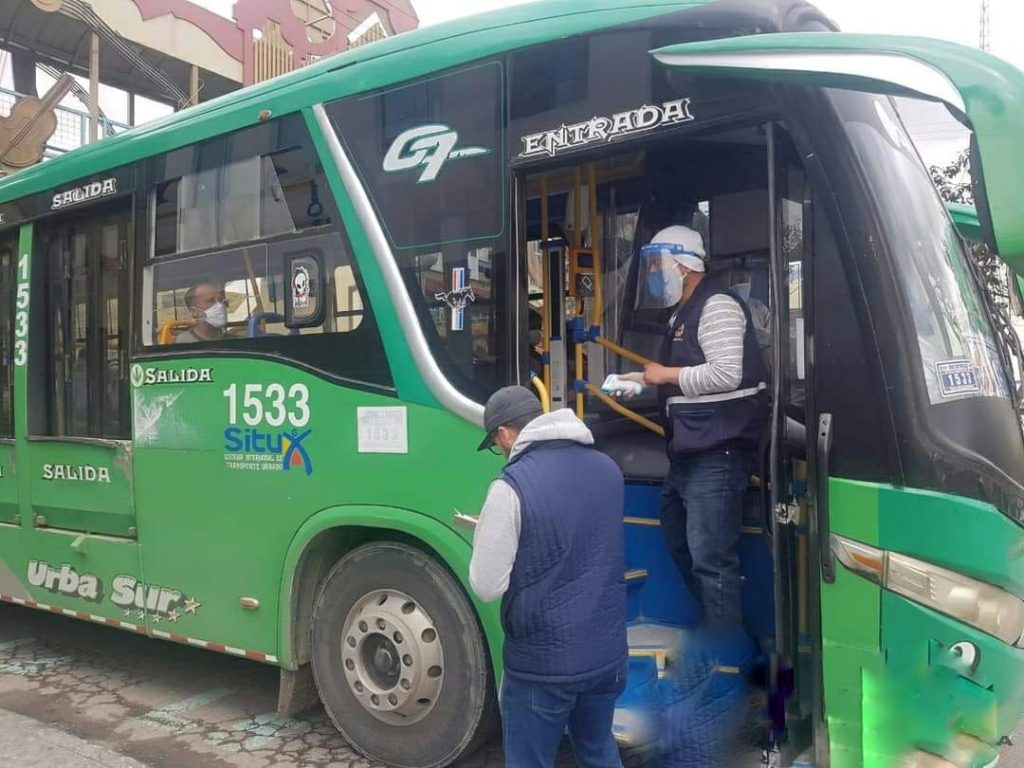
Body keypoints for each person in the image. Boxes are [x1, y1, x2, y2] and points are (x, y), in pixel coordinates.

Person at [469, 386, 628, 768]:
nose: (501, 451)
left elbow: (486, 584)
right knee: (597, 749)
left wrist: (485, 535)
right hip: (606, 656)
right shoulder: (608, 469)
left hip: (543, 665)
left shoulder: (511, 487)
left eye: (495, 443)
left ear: (505, 433)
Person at [640, 225, 769, 632]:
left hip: (718, 450)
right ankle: (724, 629)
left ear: (684, 264)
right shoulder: (683, 310)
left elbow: (726, 374)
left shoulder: (717, 306)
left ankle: (726, 654)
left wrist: (665, 376)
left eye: (658, 264)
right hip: (690, 449)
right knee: (679, 537)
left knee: (712, 559)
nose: (654, 274)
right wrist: (642, 381)